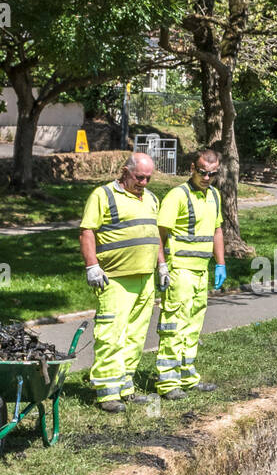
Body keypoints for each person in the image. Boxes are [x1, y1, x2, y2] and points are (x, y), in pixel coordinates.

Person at [79, 152, 165, 413]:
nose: (144, 183)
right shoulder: (102, 195)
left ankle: (125, 388)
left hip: (144, 278)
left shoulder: (151, 198)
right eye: (140, 177)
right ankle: (107, 393)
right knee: (111, 335)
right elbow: (87, 231)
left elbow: (155, 234)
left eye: (149, 178)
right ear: (125, 171)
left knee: (135, 336)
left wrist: (161, 264)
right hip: (114, 279)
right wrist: (92, 266)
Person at [155, 149, 226, 397]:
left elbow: (217, 230)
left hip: (200, 271)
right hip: (180, 271)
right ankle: (168, 382)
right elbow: (159, 235)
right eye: (203, 172)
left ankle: (187, 377)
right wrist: (162, 265)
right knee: (174, 325)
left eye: (212, 174)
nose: (207, 177)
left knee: (193, 326)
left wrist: (220, 263)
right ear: (192, 169)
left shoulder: (214, 195)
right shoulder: (177, 196)